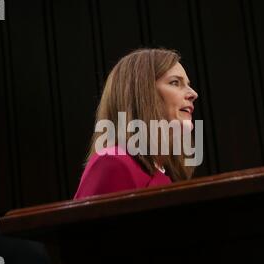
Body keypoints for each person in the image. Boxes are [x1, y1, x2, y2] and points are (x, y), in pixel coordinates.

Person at [74, 48, 199, 200]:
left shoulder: (168, 172)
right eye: (175, 82)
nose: (193, 93)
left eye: (187, 84)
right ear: (143, 93)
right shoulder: (112, 163)